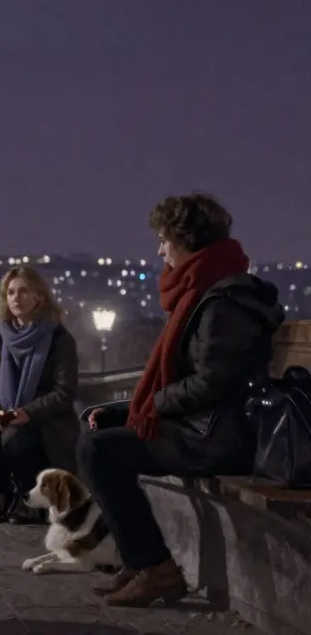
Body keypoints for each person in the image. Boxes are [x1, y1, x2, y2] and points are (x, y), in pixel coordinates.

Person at [79, 194, 283, 607]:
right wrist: (127, 409)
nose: (159, 250)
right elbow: (188, 379)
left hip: (219, 437)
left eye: (163, 240)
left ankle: (157, 570)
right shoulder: (207, 288)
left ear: (186, 240)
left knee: (98, 450)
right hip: (204, 424)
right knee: (97, 430)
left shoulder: (225, 302)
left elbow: (211, 383)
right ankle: (142, 562)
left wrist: (152, 405)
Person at [0, 266, 80, 525]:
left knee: (16, 438)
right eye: (10, 292)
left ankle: (29, 502)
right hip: (6, 416)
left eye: (23, 291)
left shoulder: (59, 339)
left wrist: (27, 413)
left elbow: (63, 392)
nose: (16, 298)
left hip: (46, 421)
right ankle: (0, 498)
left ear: (39, 297)